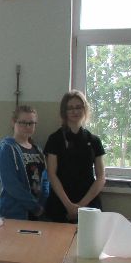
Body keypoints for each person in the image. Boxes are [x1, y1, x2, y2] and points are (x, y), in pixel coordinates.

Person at [44, 90, 106, 223]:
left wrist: (81, 206)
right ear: (64, 111)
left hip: (88, 203)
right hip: (60, 203)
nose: (75, 111)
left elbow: (101, 177)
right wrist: (69, 205)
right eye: (70, 108)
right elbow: (51, 174)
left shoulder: (94, 141)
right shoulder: (55, 139)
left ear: (84, 109)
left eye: (78, 107)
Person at [0, 105, 50, 221]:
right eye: (23, 123)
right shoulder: (7, 148)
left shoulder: (38, 150)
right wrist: (34, 206)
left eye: (31, 123)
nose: (27, 126)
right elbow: (11, 184)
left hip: (38, 213)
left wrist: (42, 204)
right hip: (15, 213)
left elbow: (45, 179)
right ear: (13, 122)